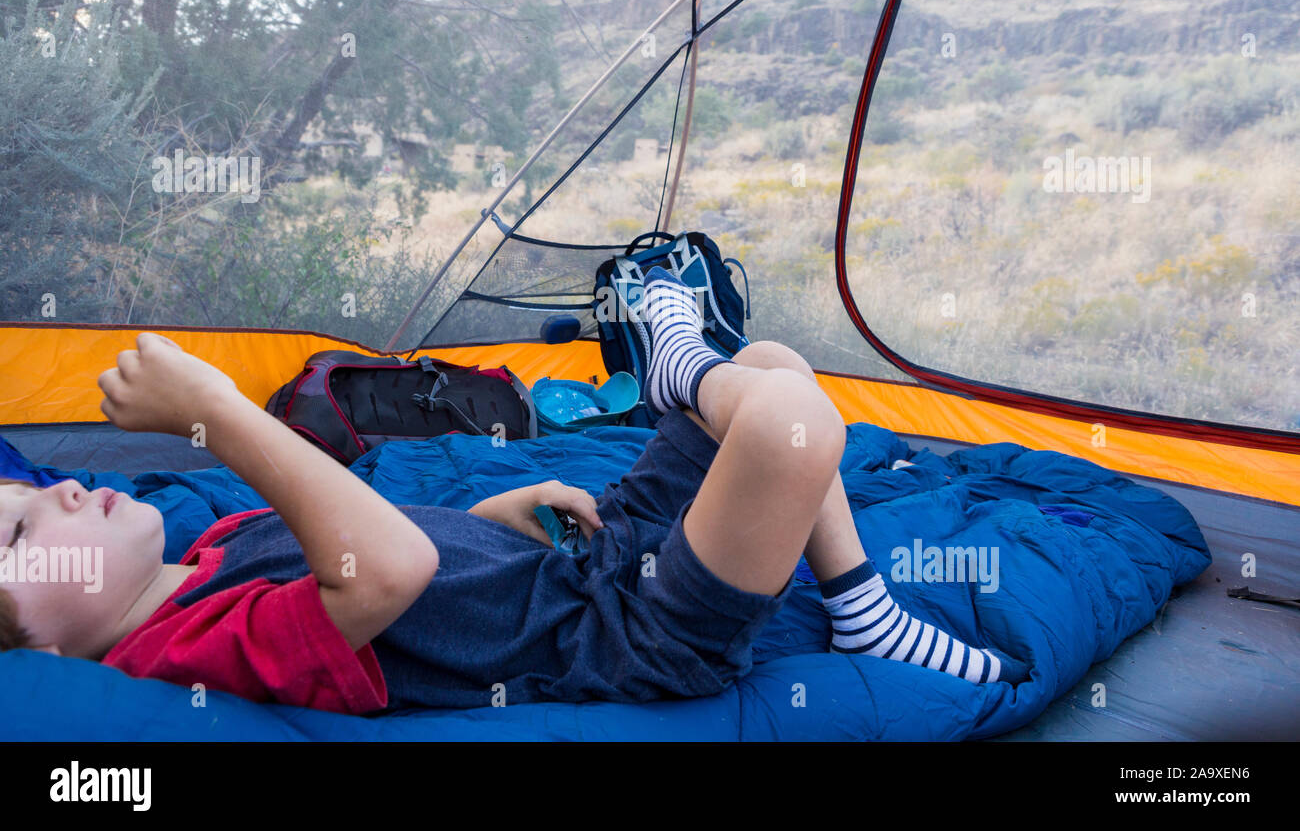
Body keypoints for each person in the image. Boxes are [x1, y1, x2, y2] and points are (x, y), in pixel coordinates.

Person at [0, 267, 1026, 713]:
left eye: (27, 495)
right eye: (16, 536)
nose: (55, 494)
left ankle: (860, 610)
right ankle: (673, 363)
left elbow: (406, 539)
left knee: (772, 358)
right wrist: (220, 412)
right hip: (632, 633)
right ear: (40, 651)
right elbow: (385, 571)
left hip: (579, 558)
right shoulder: (181, 647)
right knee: (793, 424)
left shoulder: (212, 546)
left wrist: (491, 513)